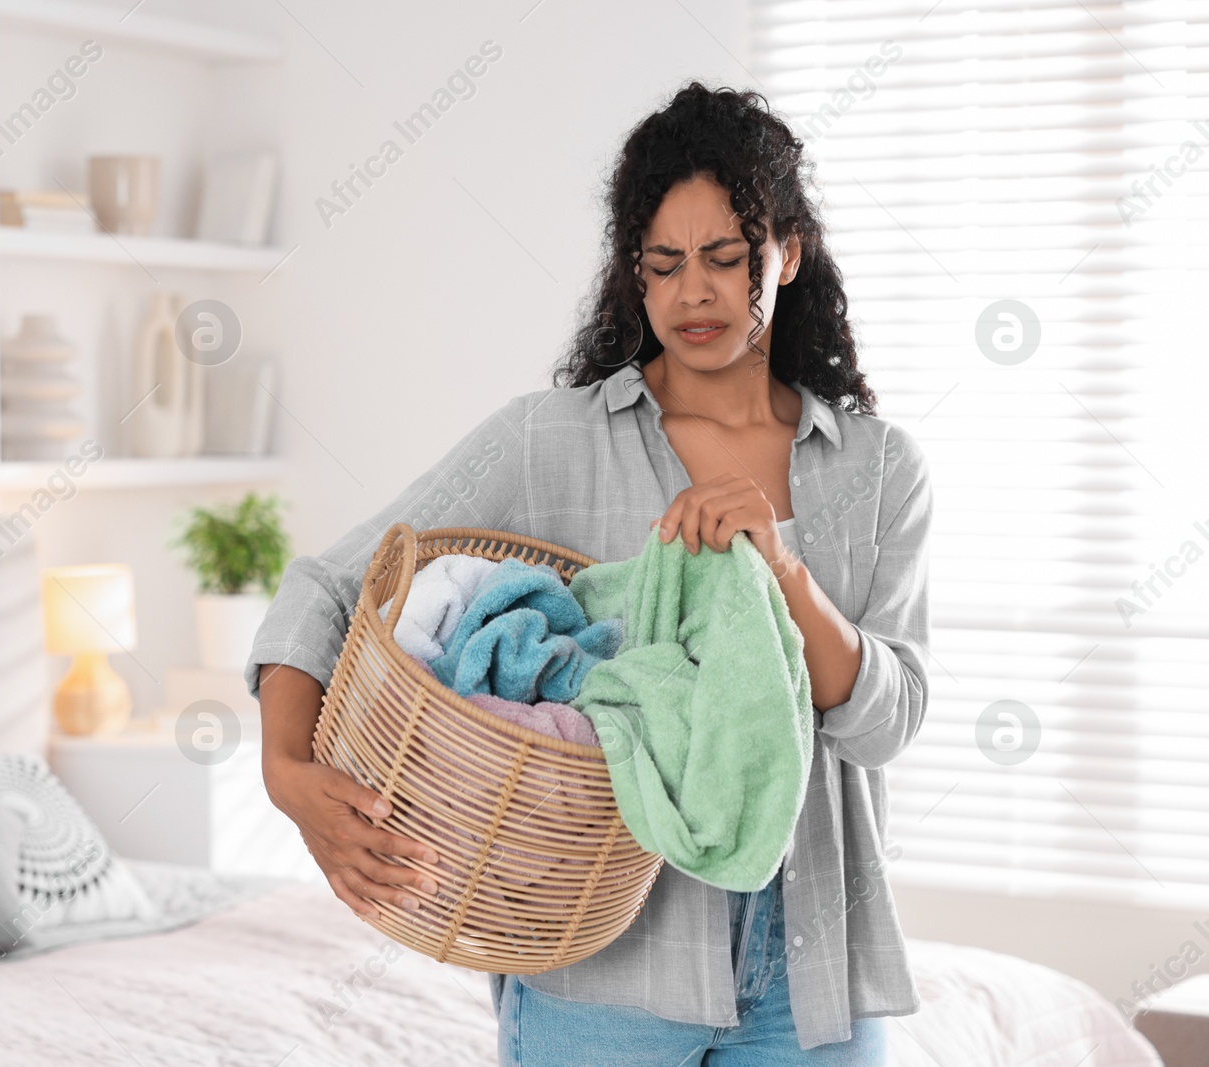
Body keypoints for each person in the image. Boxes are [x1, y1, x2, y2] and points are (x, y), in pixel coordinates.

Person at [246, 80, 931, 1063]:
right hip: (598, 973)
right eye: (661, 265)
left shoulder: (876, 469)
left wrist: (781, 569)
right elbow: (330, 584)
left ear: (786, 250)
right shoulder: (545, 443)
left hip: (814, 970)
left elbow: (888, 717)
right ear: (634, 278)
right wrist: (287, 773)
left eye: (724, 258)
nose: (691, 292)